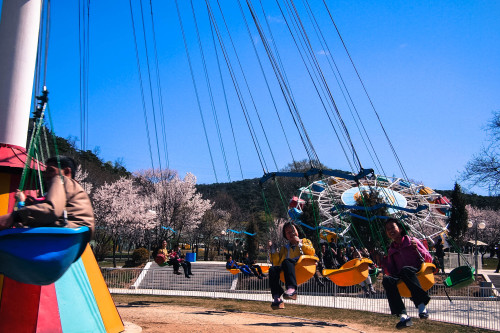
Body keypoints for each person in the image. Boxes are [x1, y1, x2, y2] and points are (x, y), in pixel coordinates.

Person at [0, 156, 95, 236]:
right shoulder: (75, 188)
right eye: (46, 172)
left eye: (51, 170)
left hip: (64, 233)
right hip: (78, 236)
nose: (46, 175)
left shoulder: (61, 179)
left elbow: (51, 209)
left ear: (66, 172)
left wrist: (14, 216)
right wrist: (35, 203)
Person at [382, 218, 433, 329]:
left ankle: (421, 306)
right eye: (387, 229)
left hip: (418, 273)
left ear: (400, 228)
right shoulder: (391, 250)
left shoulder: (412, 241)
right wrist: (382, 262)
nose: (390, 230)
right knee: (386, 279)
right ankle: (403, 316)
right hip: (403, 276)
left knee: (406, 270)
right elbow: (392, 271)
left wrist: (418, 250)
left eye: (393, 227)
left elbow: (429, 258)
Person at [267, 222, 316, 310]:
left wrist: (299, 244)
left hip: (303, 266)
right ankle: (277, 297)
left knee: (287, 261)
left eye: (292, 230)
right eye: (287, 232)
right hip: (288, 269)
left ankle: (292, 289)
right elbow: (276, 262)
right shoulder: (284, 248)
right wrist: (273, 250)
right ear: (285, 235)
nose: (291, 233)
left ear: (297, 231)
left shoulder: (305, 241)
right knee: (273, 270)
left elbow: (311, 252)